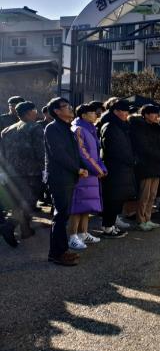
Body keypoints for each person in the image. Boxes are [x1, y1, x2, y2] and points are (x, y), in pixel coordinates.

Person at [44, 97, 86, 266]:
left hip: (68, 176)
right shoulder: (52, 128)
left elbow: (75, 154)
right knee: (60, 215)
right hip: (59, 177)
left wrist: (84, 167)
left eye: (69, 105)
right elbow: (59, 154)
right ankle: (56, 253)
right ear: (56, 111)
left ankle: (61, 250)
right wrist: (77, 169)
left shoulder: (67, 129)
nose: (70, 108)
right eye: (65, 106)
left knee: (63, 214)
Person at [0, 101, 45, 238]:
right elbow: (41, 151)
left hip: (12, 173)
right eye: (34, 109)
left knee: (19, 201)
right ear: (29, 112)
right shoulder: (35, 127)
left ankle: (25, 231)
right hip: (31, 172)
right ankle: (9, 226)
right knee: (29, 202)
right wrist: (45, 169)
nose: (36, 112)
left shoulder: (7, 130)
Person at [68, 103, 107, 250]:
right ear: (83, 115)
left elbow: (95, 154)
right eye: (92, 112)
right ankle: (72, 236)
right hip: (83, 173)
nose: (96, 115)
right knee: (77, 206)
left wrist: (101, 168)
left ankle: (83, 233)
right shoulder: (79, 129)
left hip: (91, 173)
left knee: (86, 206)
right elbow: (82, 153)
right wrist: (98, 169)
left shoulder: (90, 129)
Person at [100, 99, 136, 237]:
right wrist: (131, 160)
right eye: (124, 110)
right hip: (115, 168)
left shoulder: (121, 125)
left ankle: (111, 224)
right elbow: (114, 150)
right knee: (112, 198)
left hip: (122, 168)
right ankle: (107, 227)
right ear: (116, 111)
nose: (127, 113)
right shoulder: (110, 126)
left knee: (117, 198)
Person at [129, 105, 160, 232]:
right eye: (154, 113)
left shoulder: (156, 128)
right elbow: (144, 147)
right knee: (144, 195)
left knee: (153, 195)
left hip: (157, 164)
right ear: (145, 115)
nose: (157, 116)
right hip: (145, 165)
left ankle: (148, 218)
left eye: (157, 113)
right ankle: (141, 220)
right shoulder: (139, 127)